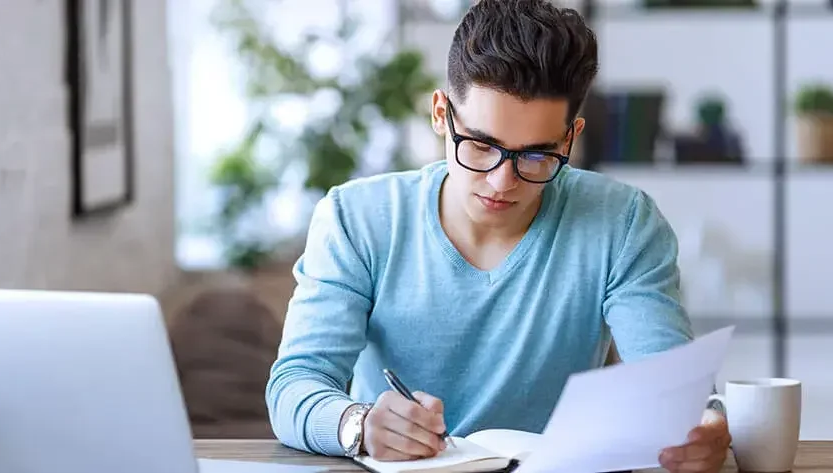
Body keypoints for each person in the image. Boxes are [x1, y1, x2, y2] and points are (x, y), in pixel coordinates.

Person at [266, 1, 732, 472]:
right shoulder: (357, 219)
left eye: (536, 155)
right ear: (440, 114)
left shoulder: (624, 223)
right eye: (481, 146)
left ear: (570, 139)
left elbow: (675, 390)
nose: (501, 181)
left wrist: (701, 426)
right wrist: (358, 424)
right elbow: (295, 385)